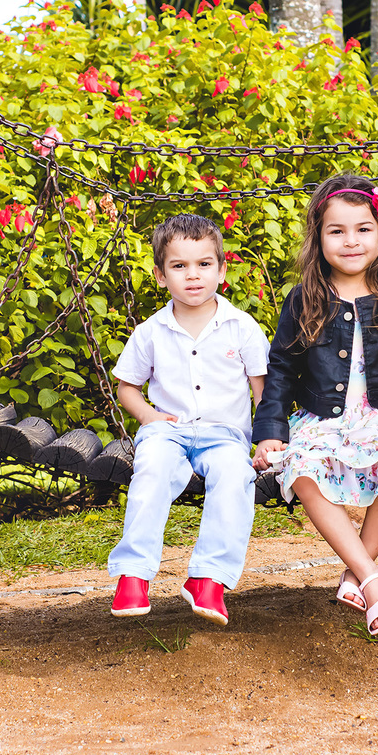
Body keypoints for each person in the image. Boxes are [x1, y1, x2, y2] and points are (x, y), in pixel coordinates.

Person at [252, 175, 378, 636]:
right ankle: (370, 577)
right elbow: (280, 369)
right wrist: (270, 430)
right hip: (321, 418)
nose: (350, 241)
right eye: (336, 231)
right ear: (318, 238)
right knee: (303, 470)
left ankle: (354, 575)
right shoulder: (305, 298)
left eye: (363, 229)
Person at [107, 213, 270, 626]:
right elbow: (126, 387)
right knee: (151, 471)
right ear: (161, 276)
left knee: (236, 479)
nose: (192, 276)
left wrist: (267, 439)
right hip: (169, 433)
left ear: (221, 269)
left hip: (225, 437)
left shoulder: (242, 328)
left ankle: (207, 580)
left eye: (204, 264)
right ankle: (133, 575)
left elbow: (263, 391)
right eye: (179, 266)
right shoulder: (150, 332)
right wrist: (148, 415)